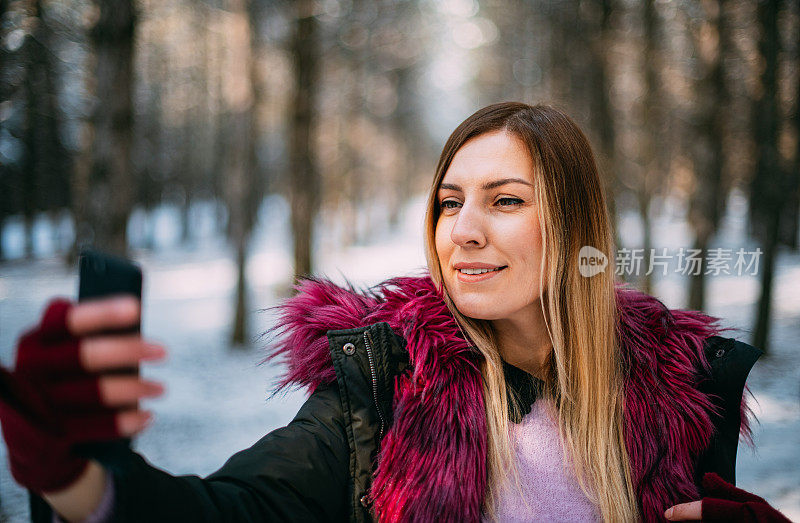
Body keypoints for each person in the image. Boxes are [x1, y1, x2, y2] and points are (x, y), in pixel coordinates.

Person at [0, 102, 791, 522]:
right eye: (449, 203)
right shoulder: (382, 384)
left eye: (505, 200)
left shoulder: (684, 394)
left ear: (577, 227)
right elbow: (230, 510)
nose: (464, 229)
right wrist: (74, 473)